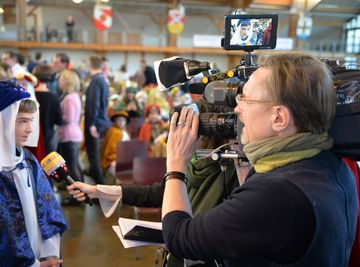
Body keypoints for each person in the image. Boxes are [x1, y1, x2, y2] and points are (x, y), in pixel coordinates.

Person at [161, 52, 358, 266]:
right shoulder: (332, 166)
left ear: (279, 118)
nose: (237, 108)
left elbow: (178, 237)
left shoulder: (277, 194)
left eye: (245, 98)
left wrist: (175, 164)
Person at [67, 97, 239, 267]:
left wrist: (177, 239)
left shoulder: (232, 174)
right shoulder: (196, 165)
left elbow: (221, 238)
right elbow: (160, 193)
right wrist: (98, 191)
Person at [0, 79, 67, 266]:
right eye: (22, 121)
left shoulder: (28, 161)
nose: (30, 129)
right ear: (2, 123)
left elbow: (47, 208)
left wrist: (49, 251)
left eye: (31, 121)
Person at [84, 55, 111, 184]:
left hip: (95, 121)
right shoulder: (102, 79)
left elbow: (93, 103)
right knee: (94, 154)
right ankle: (95, 176)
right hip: (99, 119)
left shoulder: (96, 80)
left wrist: (92, 124)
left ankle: (101, 187)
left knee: (93, 155)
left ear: (90, 65)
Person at [33, 65, 63, 154]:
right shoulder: (53, 97)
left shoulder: (29, 94)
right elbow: (59, 121)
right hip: (48, 137)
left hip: (31, 137)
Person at [100, 110, 130, 179]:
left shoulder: (125, 131)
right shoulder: (114, 131)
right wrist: (115, 159)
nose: (121, 122)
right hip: (113, 160)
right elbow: (110, 151)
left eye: (123, 120)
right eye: (119, 120)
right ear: (115, 121)